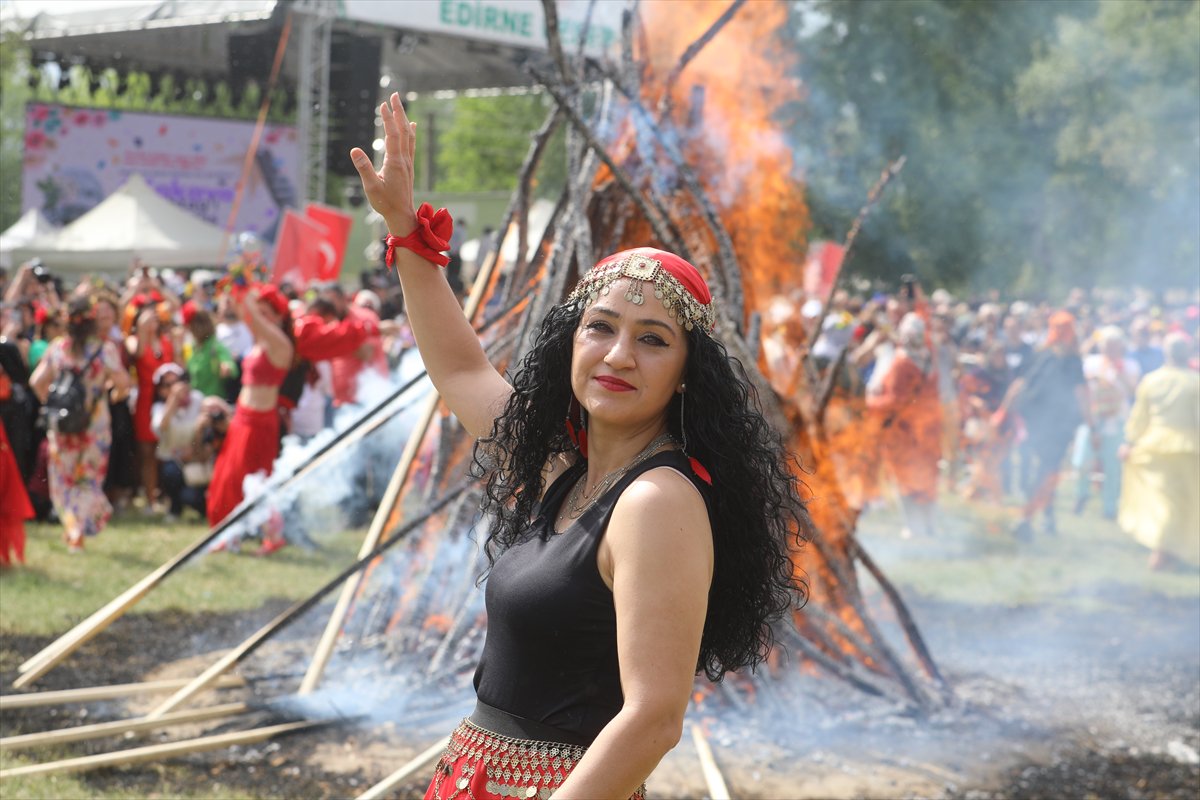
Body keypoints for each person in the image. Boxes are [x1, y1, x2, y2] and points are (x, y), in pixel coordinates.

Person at [350, 93, 807, 800]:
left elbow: (654, 720)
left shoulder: (656, 501)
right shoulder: (564, 471)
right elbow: (463, 370)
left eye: (652, 340)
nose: (619, 355)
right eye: (601, 328)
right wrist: (406, 230)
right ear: (572, 341)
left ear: (688, 375)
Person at [30, 297, 131, 551]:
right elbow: (124, 383)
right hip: (95, 426)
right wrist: (112, 395)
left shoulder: (57, 348)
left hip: (62, 426)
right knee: (88, 479)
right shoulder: (104, 350)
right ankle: (78, 530)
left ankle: (73, 528)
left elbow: (36, 381)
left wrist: (53, 403)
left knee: (64, 479)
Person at [205, 285, 293, 548]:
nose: (261, 318)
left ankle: (272, 536)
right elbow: (249, 319)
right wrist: (238, 296)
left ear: (278, 317)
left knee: (253, 481)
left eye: (268, 313)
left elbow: (252, 318)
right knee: (227, 477)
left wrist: (250, 303)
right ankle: (226, 534)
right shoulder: (259, 342)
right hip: (242, 418)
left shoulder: (281, 345)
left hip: (259, 422)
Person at [996, 311, 1091, 539]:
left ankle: (1041, 517)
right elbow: (1081, 394)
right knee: (1046, 471)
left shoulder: (1042, 354)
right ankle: (1030, 517)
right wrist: (1092, 424)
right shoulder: (1067, 359)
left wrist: (1003, 411)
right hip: (1051, 425)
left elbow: (1018, 385)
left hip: (1036, 421)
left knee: (1042, 470)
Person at [1118, 333, 1199, 571]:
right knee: (1178, 504)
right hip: (1187, 449)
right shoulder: (1195, 382)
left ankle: (1168, 553)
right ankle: (1162, 554)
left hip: (1152, 447)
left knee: (1164, 501)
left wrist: (1130, 442)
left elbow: (1139, 417)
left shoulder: (1151, 380)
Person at [866, 312, 943, 538]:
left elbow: (895, 401)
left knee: (905, 478)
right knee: (927, 477)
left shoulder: (902, 362)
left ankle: (914, 527)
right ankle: (930, 525)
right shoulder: (929, 358)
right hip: (928, 429)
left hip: (904, 432)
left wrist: (869, 402)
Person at [1072, 326, 1139, 519]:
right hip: (1092, 419)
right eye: (1107, 345)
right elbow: (1081, 385)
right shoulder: (1091, 363)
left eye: (1114, 345)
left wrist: (1119, 372)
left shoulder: (1130, 366)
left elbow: (1133, 392)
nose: (1110, 349)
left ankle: (1110, 507)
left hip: (1117, 421)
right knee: (1082, 461)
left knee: (1113, 467)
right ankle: (1081, 494)